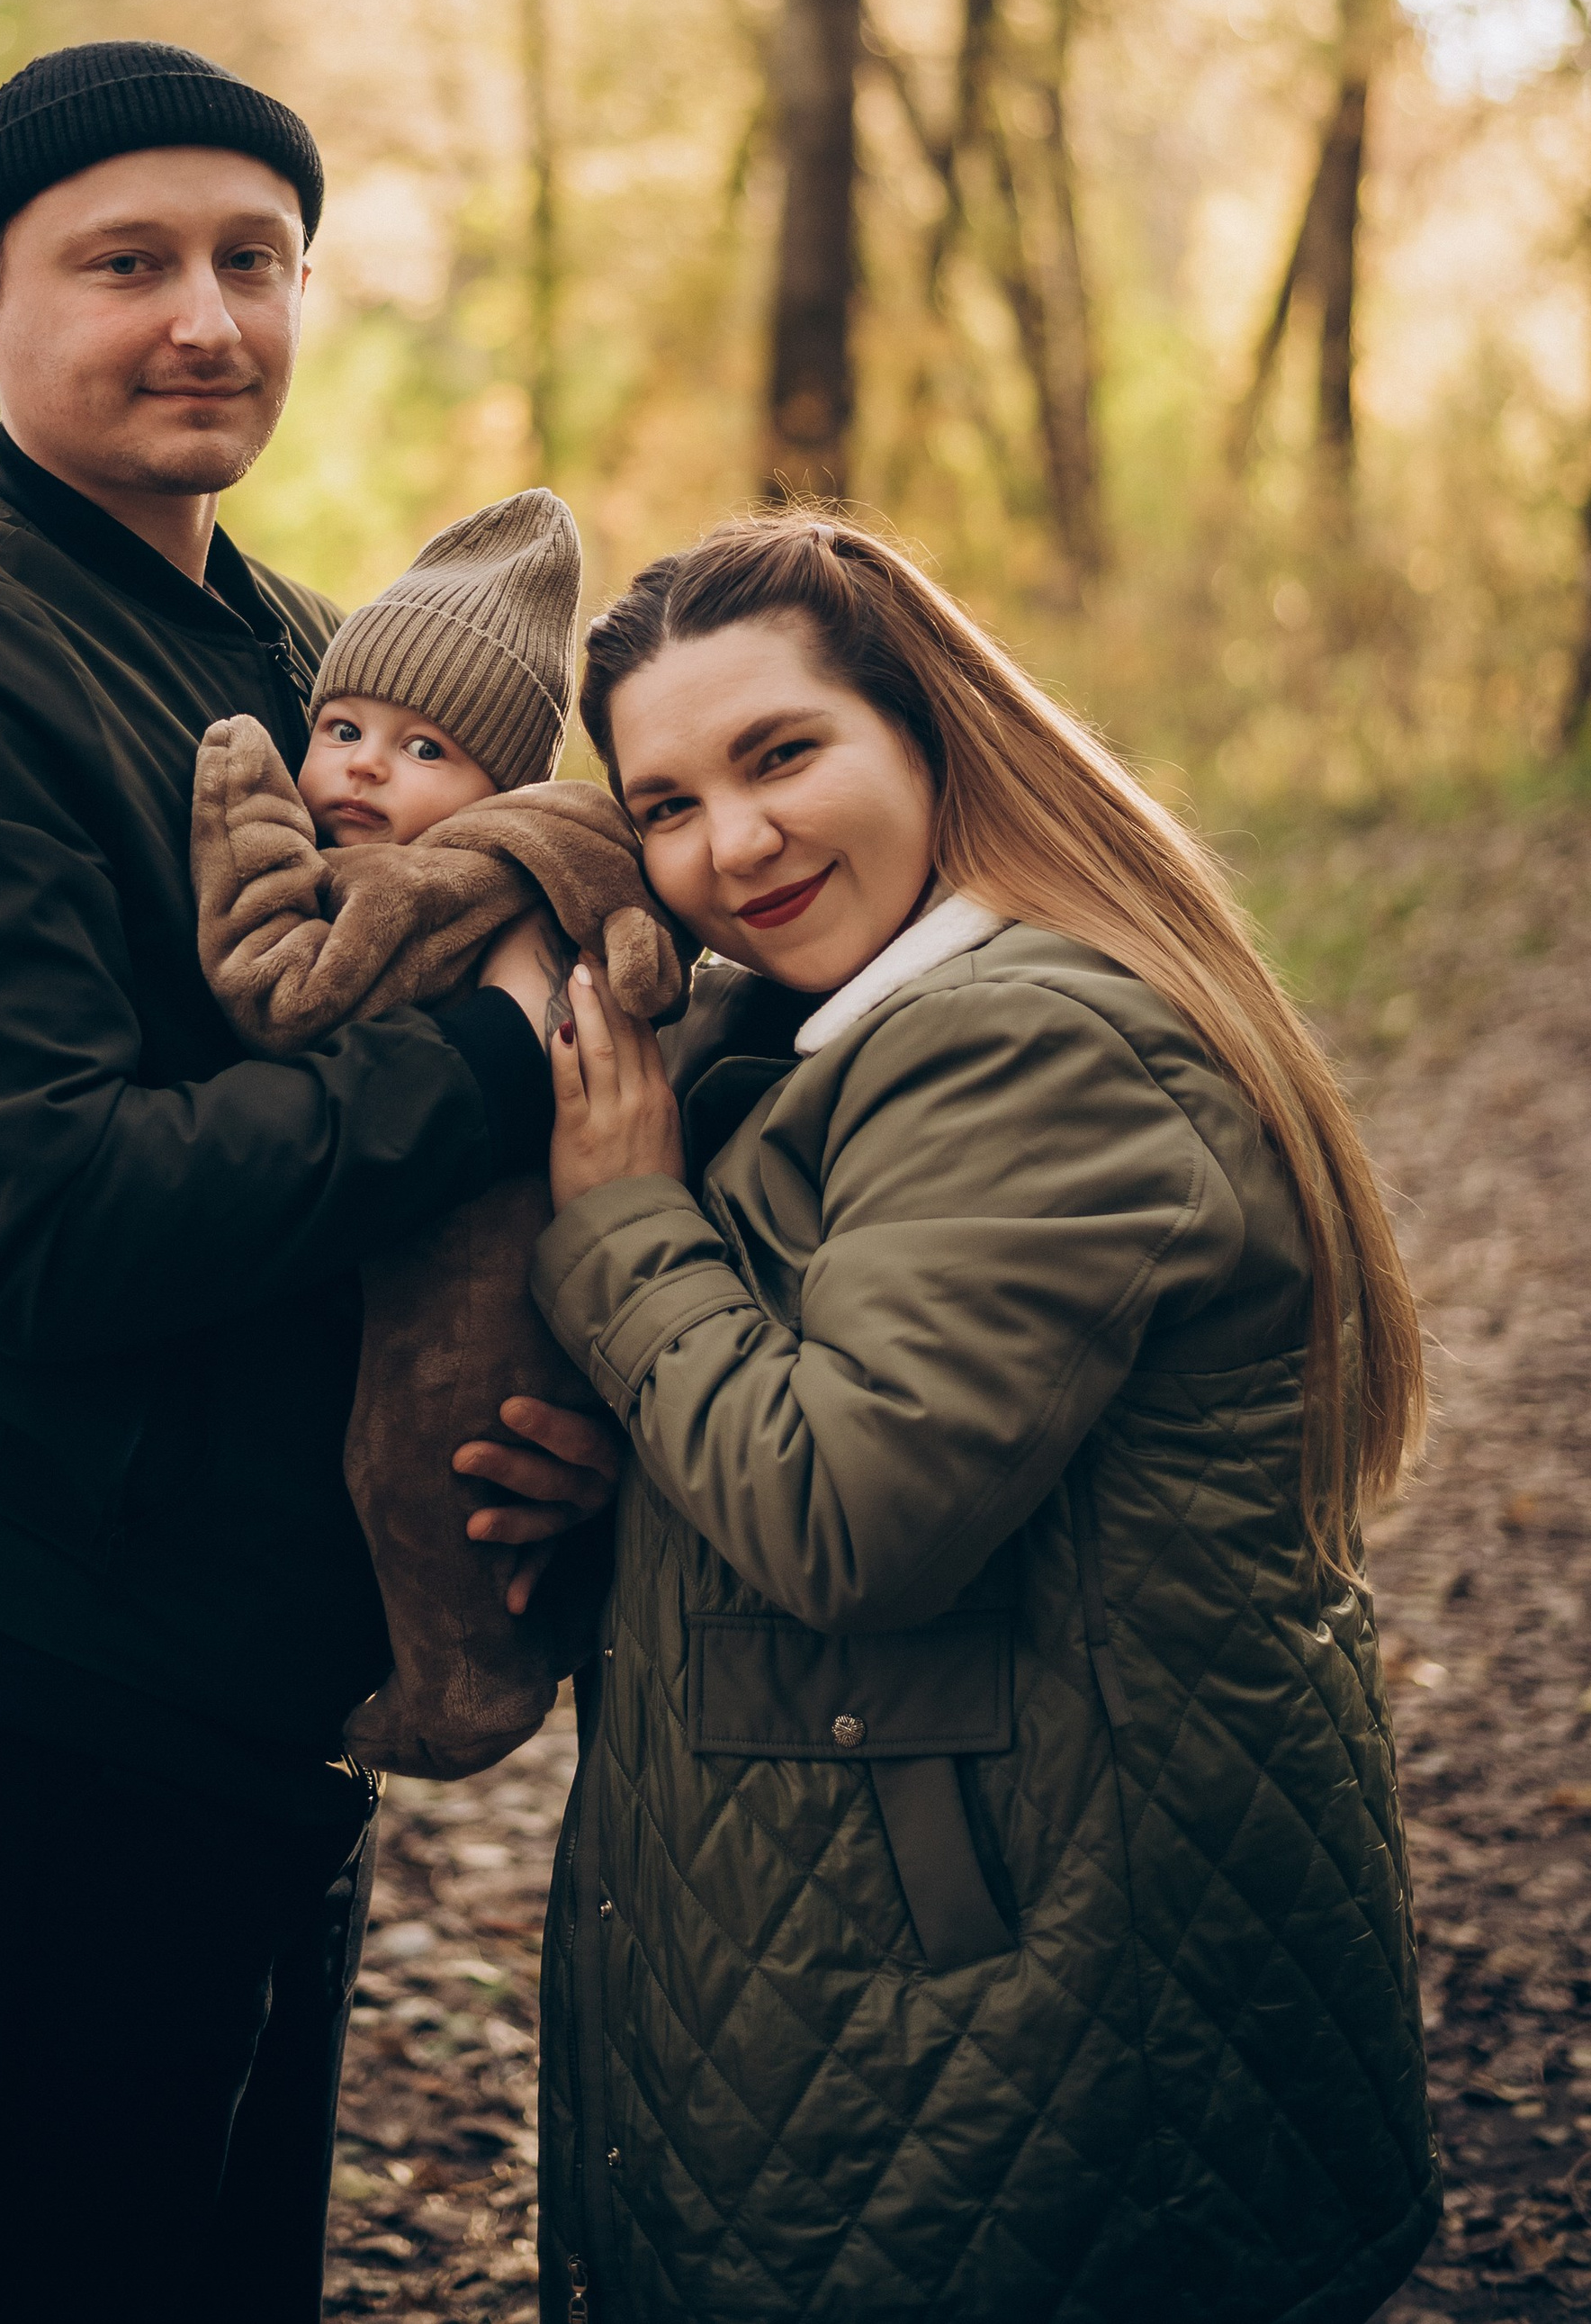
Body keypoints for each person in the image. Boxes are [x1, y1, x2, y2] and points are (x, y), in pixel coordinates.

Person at [0, 40, 614, 2324]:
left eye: (254, 258)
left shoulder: (301, 649)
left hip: (240, 1669)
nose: (204, 318)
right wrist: (492, 1060)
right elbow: (59, 1224)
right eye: (124, 262)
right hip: (20, 1654)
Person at [521, 514, 1438, 2324]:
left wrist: (618, 1222)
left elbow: (843, 1516)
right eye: (667, 803)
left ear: (928, 733)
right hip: (889, 1973)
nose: (734, 843)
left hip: (1018, 2003)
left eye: (781, 753)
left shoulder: (1019, 1042)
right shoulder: (814, 1047)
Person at [191, 490, 683, 1779]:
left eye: (424, 751)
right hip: (485, 1228)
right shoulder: (546, 847)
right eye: (342, 727)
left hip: (478, 1252)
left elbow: (287, 996)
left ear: (498, 786)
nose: (361, 766)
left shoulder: (423, 888)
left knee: (423, 1459)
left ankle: (461, 1693)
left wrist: (245, 817)